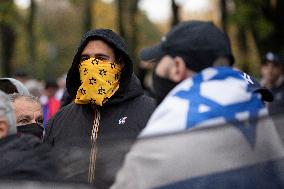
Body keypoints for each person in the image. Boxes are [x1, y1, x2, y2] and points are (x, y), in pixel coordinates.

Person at [112, 21, 284, 189]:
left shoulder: (168, 125)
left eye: (159, 62)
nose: (155, 70)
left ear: (177, 67)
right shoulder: (254, 102)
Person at [44, 28, 156, 188]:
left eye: (101, 58)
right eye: (85, 59)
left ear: (120, 64)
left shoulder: (150, 112)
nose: (92, 64)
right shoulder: (59, 120)